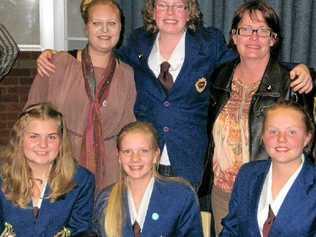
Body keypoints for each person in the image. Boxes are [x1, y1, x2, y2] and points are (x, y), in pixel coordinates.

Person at [36, 0, 313, 190]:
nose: (170, 11)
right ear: (153, 10)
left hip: (191, 163)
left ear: (189, 10)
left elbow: (250, 58)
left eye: (178, 4)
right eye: (162, 4)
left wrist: (295, 69)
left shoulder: (209, 42)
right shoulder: (136, 42)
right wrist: (60, 56)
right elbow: (103, 57)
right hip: (143, 160)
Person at [197, 1, 315, 235]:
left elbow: (305, 139)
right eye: (246, 29)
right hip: (222, 190)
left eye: (262, 31)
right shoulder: (219, 76)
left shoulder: (291, 82)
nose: (253, 37)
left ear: (273, 39)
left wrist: (310, 73)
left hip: (267, 189)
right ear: (234, 36)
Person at [26, 0, 136, 191]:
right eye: (97, 23)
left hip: (110, 174)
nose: (105, 30)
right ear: (86, 28)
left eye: (112, 23)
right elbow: (29, 118)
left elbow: (129, 127)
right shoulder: (58, 64)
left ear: (121, 27)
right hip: (61, 165)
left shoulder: (127, 74)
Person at [220, 101, 315, 237]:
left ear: (307, 138)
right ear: (263, 136)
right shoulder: (247, 174)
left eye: (292, 132)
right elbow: (231, 229)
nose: (281, 139)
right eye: (273, 131)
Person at [92, 121, 203, 237]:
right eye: (127, 152)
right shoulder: (105, 199)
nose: (135, 158)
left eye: (144, 151)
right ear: (119, 157)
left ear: (156, 155)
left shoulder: (181, 196)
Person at [0, 103, 95, 237]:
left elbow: (81, 231)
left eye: (51, 137)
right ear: (20, 139)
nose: (43, 145)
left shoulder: (81, 180)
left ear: (61, 142)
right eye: (34, 136)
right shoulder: (2, 176)